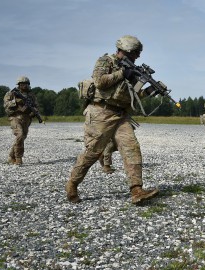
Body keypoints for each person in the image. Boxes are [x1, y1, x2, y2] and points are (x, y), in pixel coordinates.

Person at [65, 35, 159, 204]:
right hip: (100, 112)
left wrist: (149, 90)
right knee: (92, 152)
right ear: (126, 50)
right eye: (136, 52)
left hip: (120, 115)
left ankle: (136, 190)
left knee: (131, 147)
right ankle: (72, 184)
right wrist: (123, 73)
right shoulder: (106, 61)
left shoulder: (132, 70)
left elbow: (131, 97)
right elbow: (100, 82)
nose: (138, 56)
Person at [3, 76, 40, 165]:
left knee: (21, 138)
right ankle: (18, 158)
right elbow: (6, 104)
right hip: (15, 117)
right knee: (19, 135)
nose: (25, 86)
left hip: (26, 119)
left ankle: (11, 156)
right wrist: (17, 102)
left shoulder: (31, 96)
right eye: (23, 84)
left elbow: (36, 106)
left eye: (27, 84)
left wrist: (34, 112)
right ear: (19, 85)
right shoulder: (12, 93)